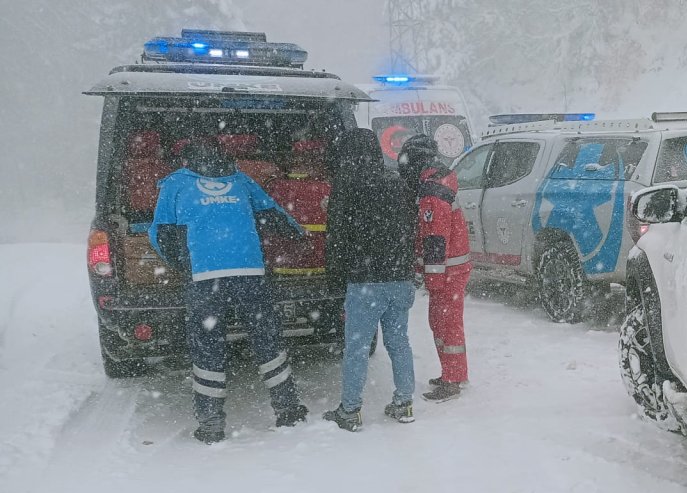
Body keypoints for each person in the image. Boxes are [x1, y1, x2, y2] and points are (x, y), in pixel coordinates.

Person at [150, 139, 309, 444]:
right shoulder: (241, 181)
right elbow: (275, 215)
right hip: (250, 273)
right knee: (267, 341)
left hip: (206, 278)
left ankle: (211, 424)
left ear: (188, 160)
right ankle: (287, 410)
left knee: (208, 348)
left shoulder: (175, 185)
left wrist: (186, 265)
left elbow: (160, 233)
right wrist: (299, 235)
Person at [322, 129, 419, 431]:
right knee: (399, 342)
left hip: (365, 280)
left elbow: (337, 236)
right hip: (400, 277)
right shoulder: (397, 182)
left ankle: (350, 410)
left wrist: (335, 277)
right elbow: (411, 227)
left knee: (357, 347)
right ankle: (404, 403)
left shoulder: (346, 184)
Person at [398, 134, 471, 402]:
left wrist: (432, 279)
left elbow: (435, 240)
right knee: (443, 322)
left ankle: (452, 380)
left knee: (446, 324)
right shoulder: (439, 181)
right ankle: (453, 373)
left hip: (447, 271)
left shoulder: (432, 193)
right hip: (451, 268)